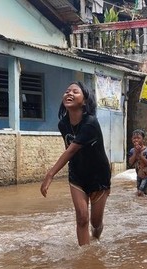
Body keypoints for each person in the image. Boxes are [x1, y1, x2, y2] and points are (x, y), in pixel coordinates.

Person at [40, 81, 111, 246]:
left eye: (75, 92)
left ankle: (96, 237)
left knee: (95, 222)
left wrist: (50, 174)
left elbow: (70, 150)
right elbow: (70, 151)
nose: (69, 94)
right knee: (82, 218)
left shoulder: (91, 123)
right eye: (67, 91)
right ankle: (85, 258)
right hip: (77, 175)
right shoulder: (62, 124)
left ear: (84, 101)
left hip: (98, 177)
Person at [127, 129, 147, 197]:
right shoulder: (132, 151)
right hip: (139, 175)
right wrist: (135, 153)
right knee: (141, 194)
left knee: (140, 192)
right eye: (134, 138)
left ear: (143, 139)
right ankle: (143, 205)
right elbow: (130, 163)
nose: (136, 140)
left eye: (138, 138)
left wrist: (141, 155)